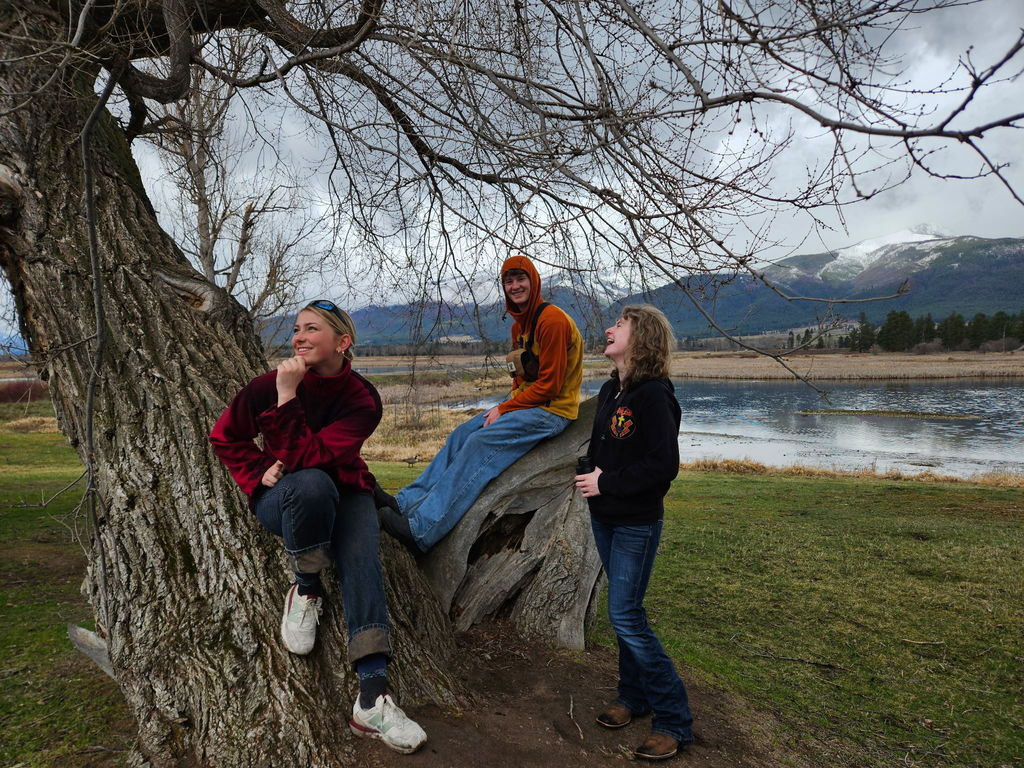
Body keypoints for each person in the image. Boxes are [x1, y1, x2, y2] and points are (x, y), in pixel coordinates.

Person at [209, 300, 427, 755]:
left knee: (362, 559)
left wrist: (288, 399)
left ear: (342, 343)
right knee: (308, 486)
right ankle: (306, 586)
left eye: (311, 329)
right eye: (296, 329)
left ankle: (373, 695)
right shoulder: (268, 385)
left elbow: (312, 457)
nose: (299, 337)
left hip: (345, 492)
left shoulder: (362, 399)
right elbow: (225, 437)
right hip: (288, 501)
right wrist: (258, 467)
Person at [377, 254, 584, 552]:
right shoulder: (518, 328)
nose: (515, 286)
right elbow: (519, 377)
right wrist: (507, 404)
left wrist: (504, 409)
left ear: (534, 281)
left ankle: (422, 530)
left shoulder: (551, 321)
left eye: (520, 279)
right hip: (527, 406)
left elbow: (550, 386)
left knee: (479, 444)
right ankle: (404, 504)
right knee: (461, 435)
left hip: (552, 411)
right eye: (508, 281)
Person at [574, 304, 694, 761]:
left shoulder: (653, 395)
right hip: (604, 516)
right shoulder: (611, 390)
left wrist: (607, 481)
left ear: (641, 338)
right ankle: (633, 697)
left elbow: (665, 465)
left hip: (635, 523)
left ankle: (674, 720)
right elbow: (616, 451)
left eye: (619, 325)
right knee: (624, 612)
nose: (608, 329)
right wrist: (594, 474)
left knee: (626, 616)